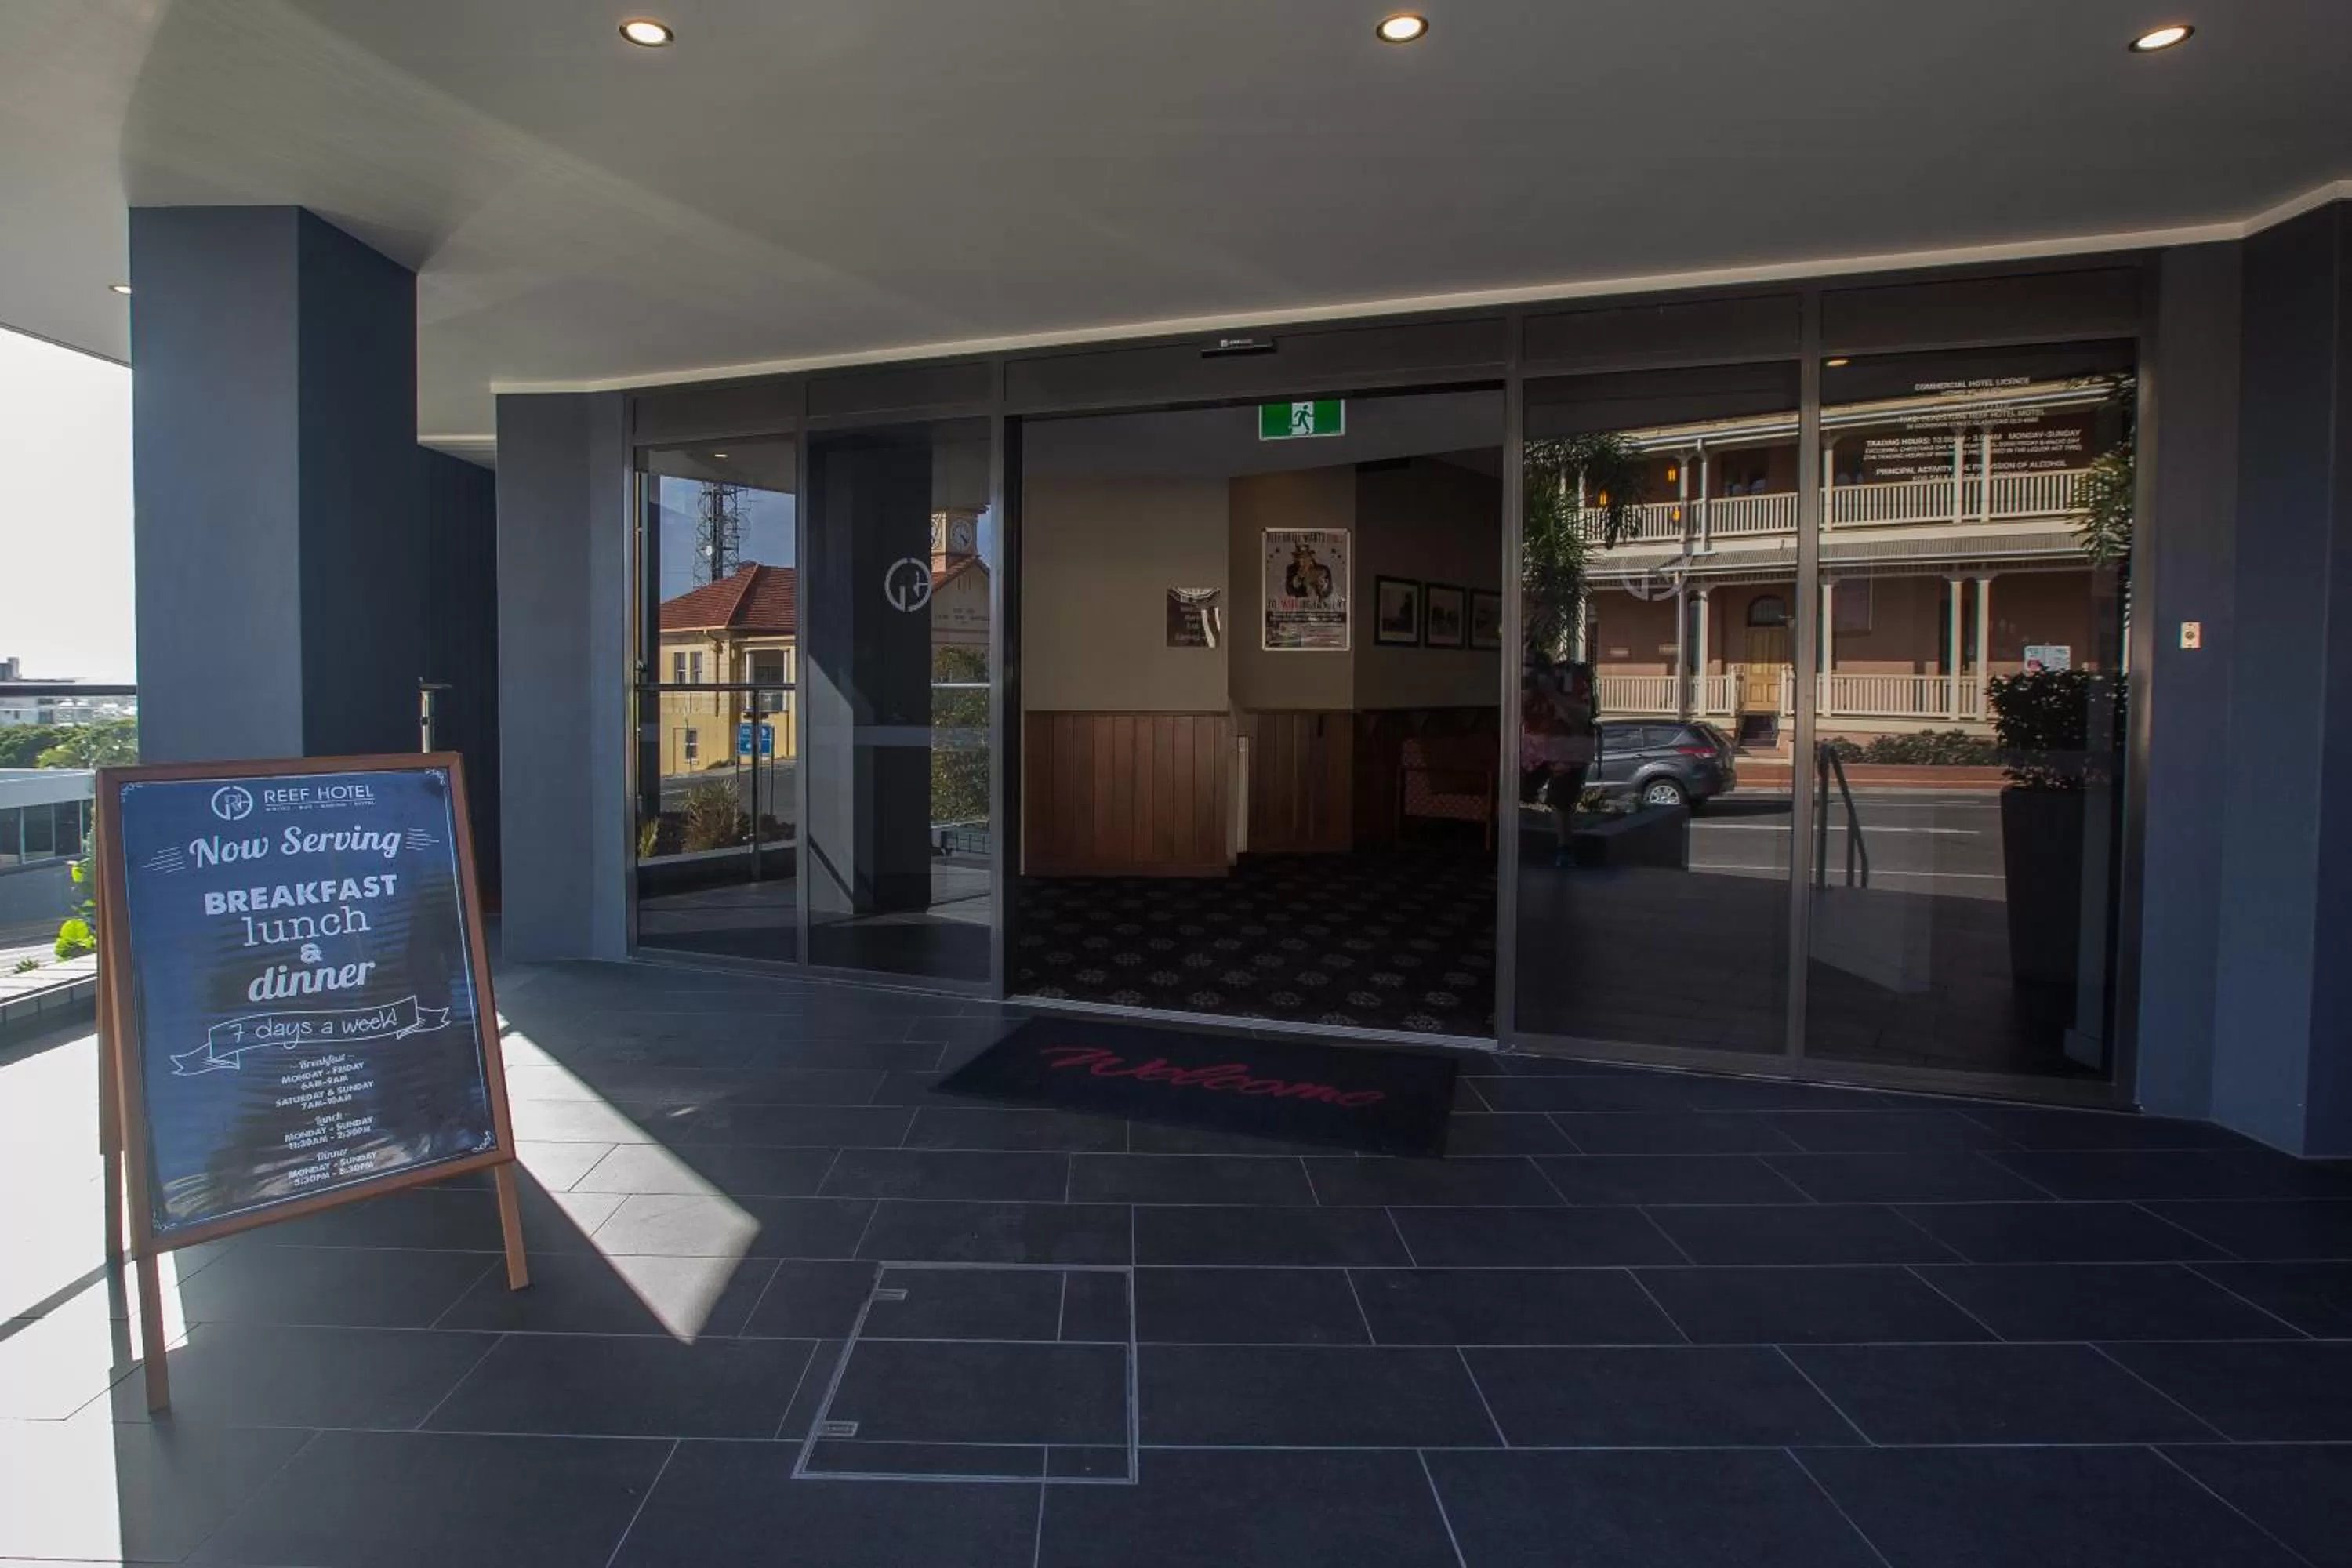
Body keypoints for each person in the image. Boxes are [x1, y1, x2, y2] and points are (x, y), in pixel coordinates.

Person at [1521, 653, 1599, 868]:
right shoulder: (1525, 686)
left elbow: (1582, 716)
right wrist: (1527, 693)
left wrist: (1552, 693)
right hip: (1535, 749)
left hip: (1569, 750)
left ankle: (1565, 849)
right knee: (1517, 788)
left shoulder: (1571, 682)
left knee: (1560, 800)